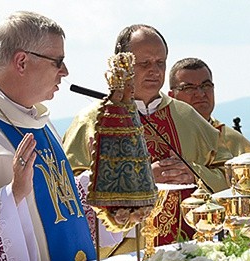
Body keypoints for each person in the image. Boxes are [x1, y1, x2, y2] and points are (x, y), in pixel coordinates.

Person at [63, 25, 233, 249]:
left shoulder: (186, 116)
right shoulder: (92, 121)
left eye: (160, 63)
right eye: (144, 63)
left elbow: (230, 175)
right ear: (122, 64)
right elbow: (69, 190)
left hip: (188, 250)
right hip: (118, 258)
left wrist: (195, 175)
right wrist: (140, 180)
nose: (154, 70)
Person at [0, 11, 96, 261]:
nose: (65, 72)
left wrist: (95, 180)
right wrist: (12, 196)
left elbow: (57, 208)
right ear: (21, 61)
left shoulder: (40, 123)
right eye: (58, 61)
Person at [168, 57, 250, 156]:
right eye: (189, 88)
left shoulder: (237, 143)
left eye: (206, 86)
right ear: (172, 96)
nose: (200, 94)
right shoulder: (162, 139)